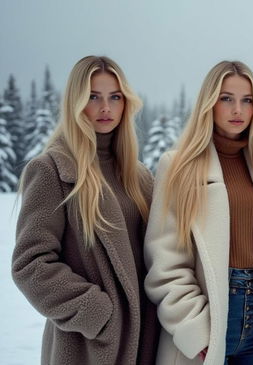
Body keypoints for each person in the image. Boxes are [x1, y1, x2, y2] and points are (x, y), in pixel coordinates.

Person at [144, 60, 253, 365]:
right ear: (209, 103)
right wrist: (193, 328)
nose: (238, 109)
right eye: (227, 99)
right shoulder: (178, 167)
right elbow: (165, 261)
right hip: (207, 318)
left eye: (246, 100)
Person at [12, 55, 159, 364]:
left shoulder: (139, 177)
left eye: (114, 97)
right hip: (89, 347)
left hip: (145, 342)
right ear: (75, 103)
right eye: (93, 97)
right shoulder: (53, 170)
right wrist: (97, 313)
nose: (105, 107)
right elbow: (31, 264)